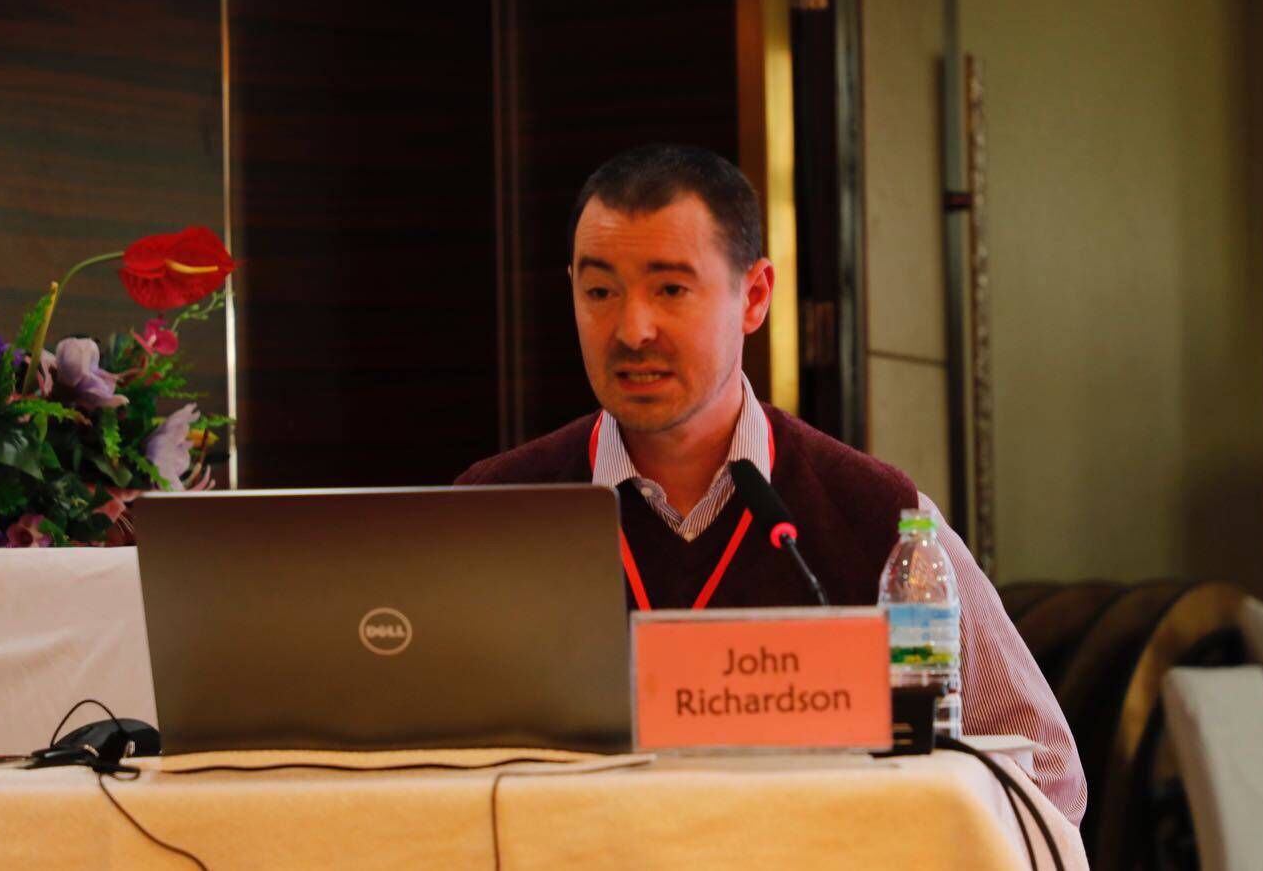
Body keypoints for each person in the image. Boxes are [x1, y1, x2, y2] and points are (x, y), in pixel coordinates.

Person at [456, 143, 1086, 824]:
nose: (633, 330)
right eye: (600, 292)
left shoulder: (879, 519)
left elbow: (1046, 773)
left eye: (670, 289)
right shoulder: (496, 512)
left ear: (754, 296)